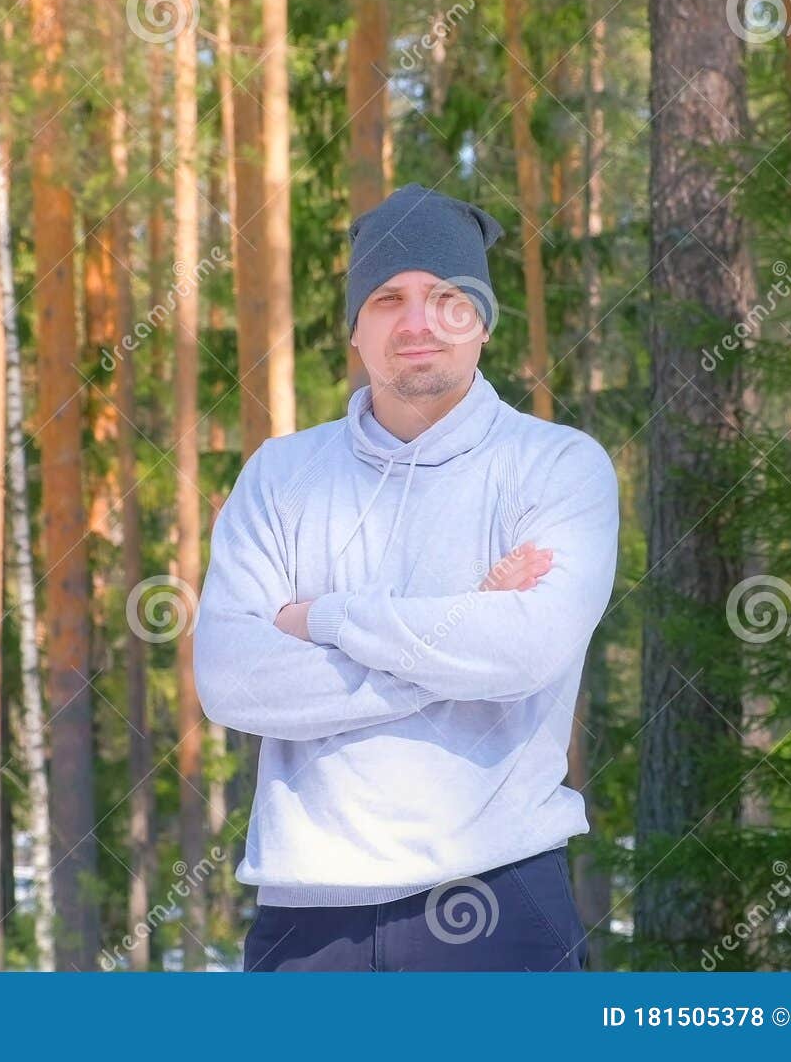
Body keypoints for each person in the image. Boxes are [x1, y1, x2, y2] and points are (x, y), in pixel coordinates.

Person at [194, 183, 620, 971]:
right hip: (306, 924)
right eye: (387, 298)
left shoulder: (558, 465)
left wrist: (321, 616)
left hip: (502, 903)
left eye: (446, 296)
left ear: (483, 319)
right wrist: (460, 635)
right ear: (355, 328)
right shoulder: (280, 475)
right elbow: (230, 678)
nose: (418, 321)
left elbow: (528, 650)